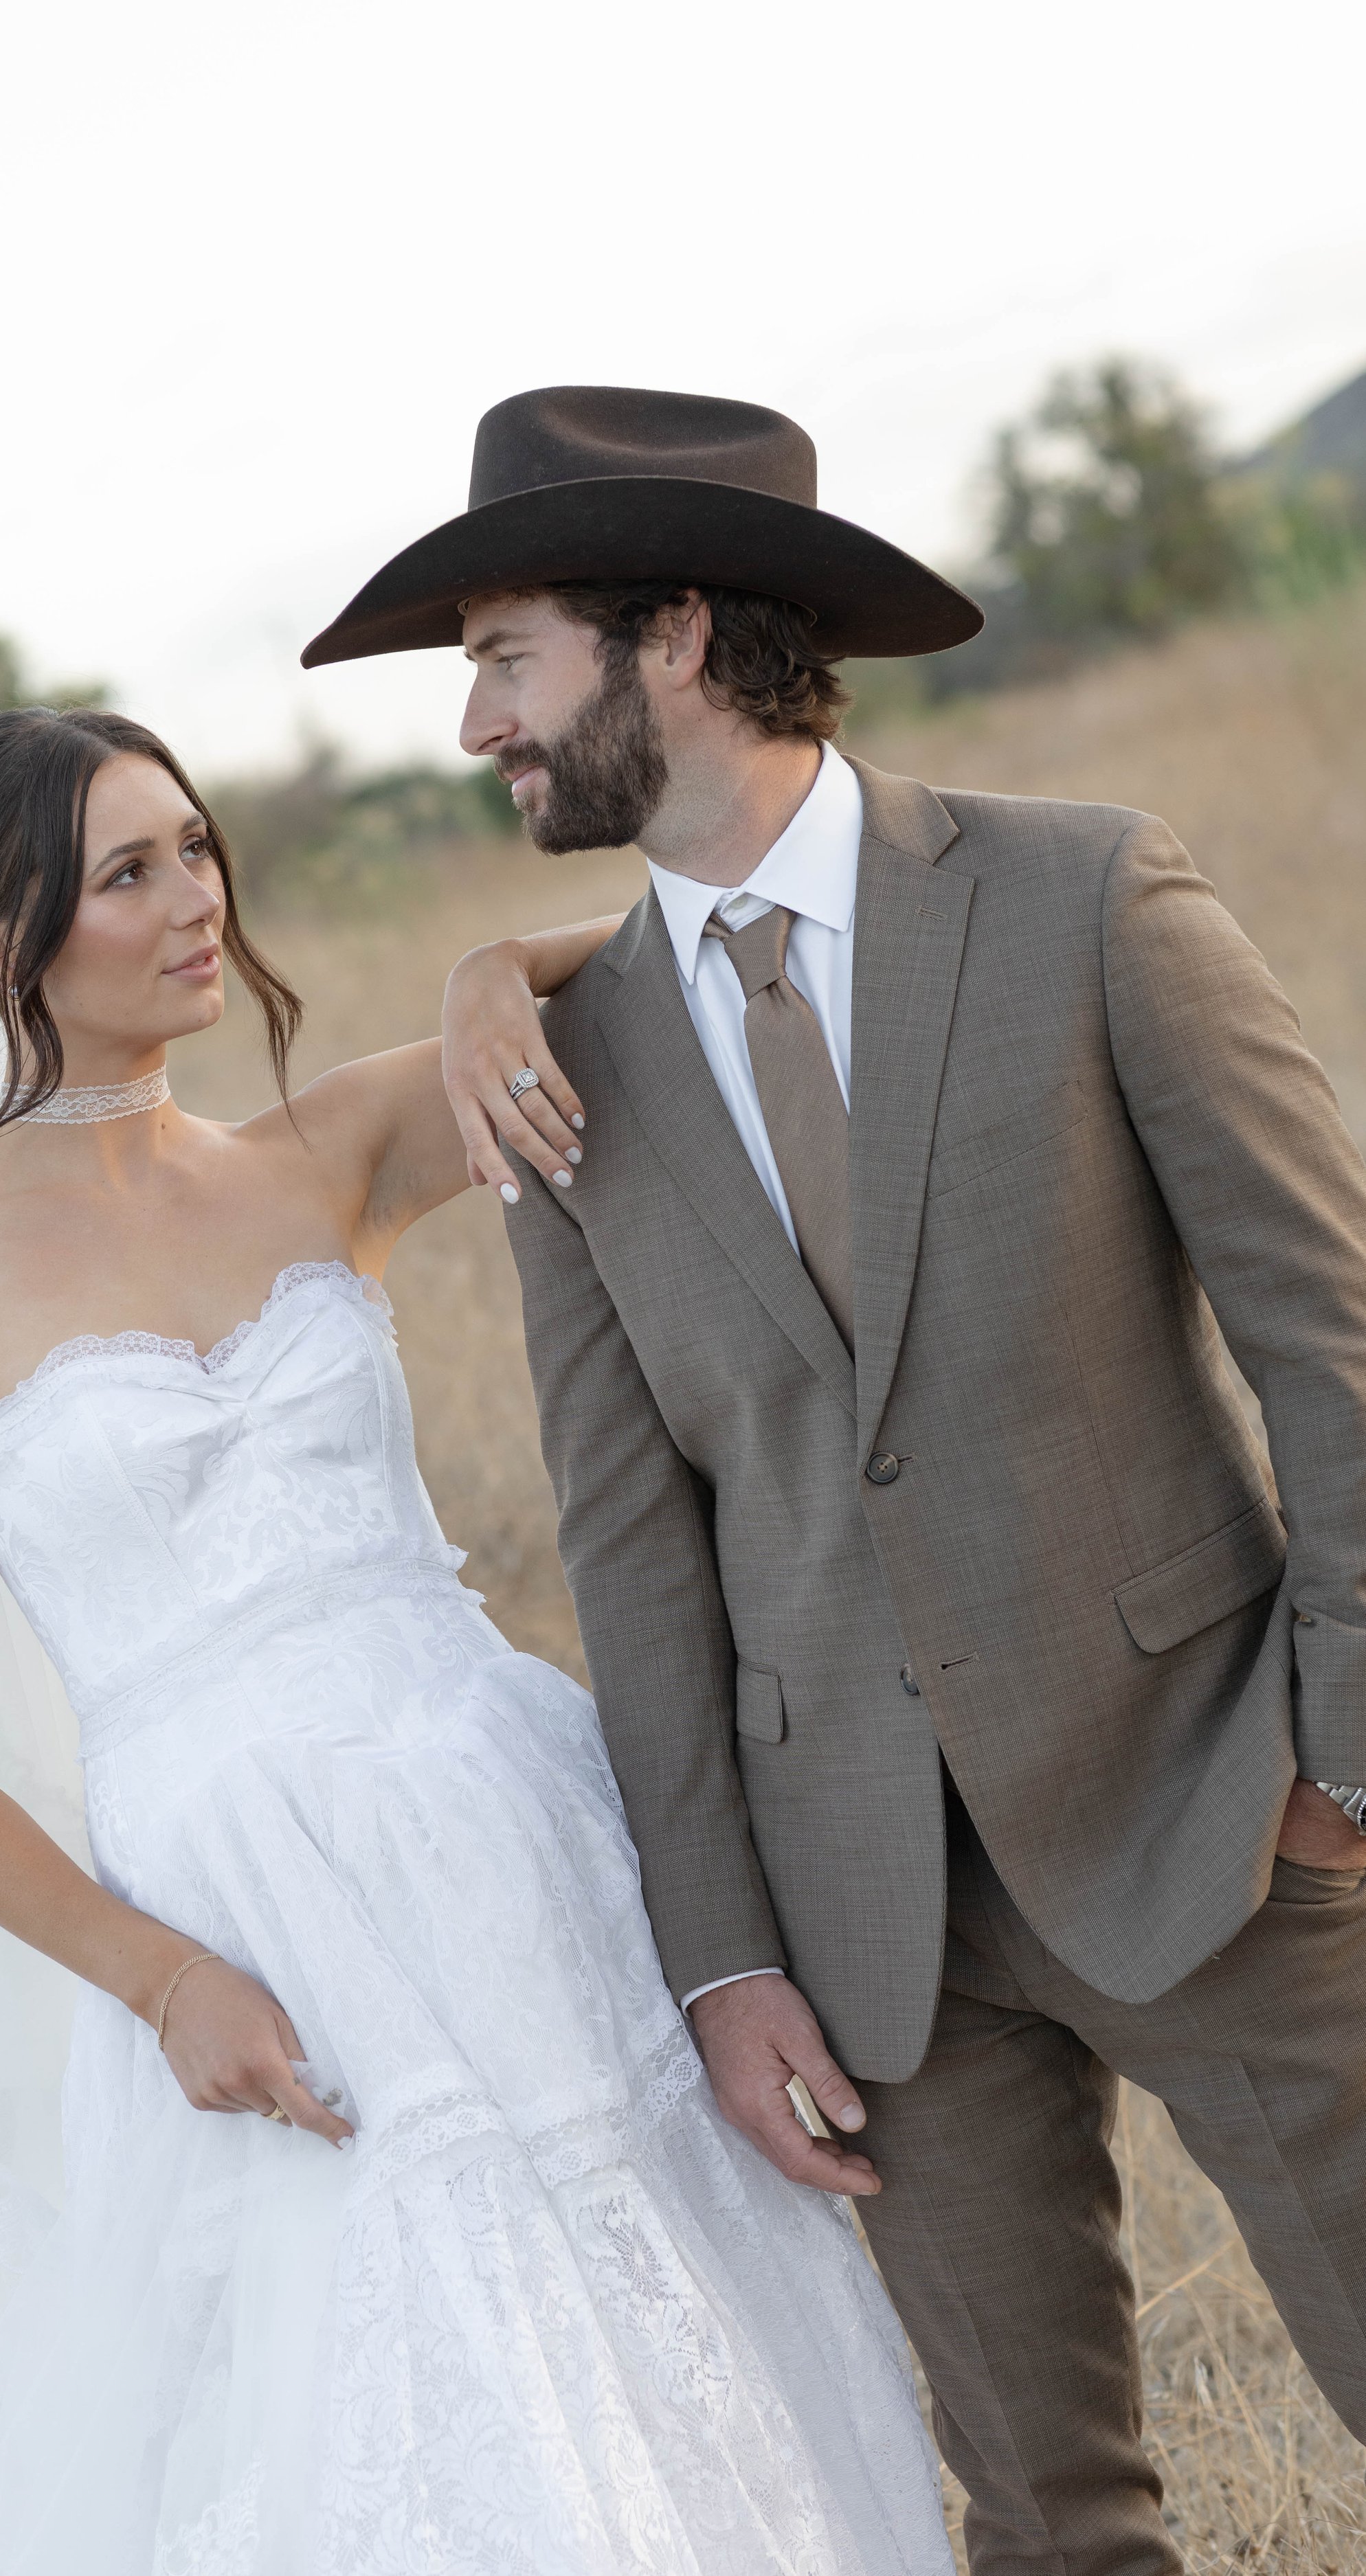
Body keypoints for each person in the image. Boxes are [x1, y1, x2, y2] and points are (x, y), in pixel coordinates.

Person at [306, 382, 1366, 2573]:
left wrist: (1341, 1757)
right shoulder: (558, 1060)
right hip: (869, 1937)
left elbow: (1324, 1338)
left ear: (671, 633)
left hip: (1214, 1820)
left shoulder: (1086, 897)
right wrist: (720, 1961)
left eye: (506, 656)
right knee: (1045, 2525)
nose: (484, 724)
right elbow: (631, 1544)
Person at [0, 703, 952, 2573]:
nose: (195, 901)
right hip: (249, 1911)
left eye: (194, 847)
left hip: (508, 1821)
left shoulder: (319, 1149)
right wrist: (165, 1981)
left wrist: (490, 971)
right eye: (127, 871)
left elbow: (658, 971)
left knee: (689, 2337)